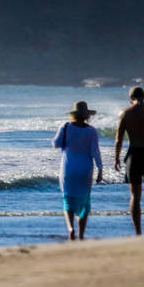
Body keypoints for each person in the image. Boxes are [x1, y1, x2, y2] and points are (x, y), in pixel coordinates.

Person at [52, 101, 103, 241]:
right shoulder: (91, 131)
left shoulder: (66, 127)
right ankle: (81, 234)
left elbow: (56, 144)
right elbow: (95, 152)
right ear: (87, 116)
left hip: (68, 168)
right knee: (84, 201)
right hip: (85, 169)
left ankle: (70, 229)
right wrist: (100, 169)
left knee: (68, 199)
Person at [114, 86, 144, 235]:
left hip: (134, 154)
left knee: (135, 195)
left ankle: (137, 232)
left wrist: (116, 158)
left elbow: (119, 139)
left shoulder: (126, 113)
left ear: (131, 98)